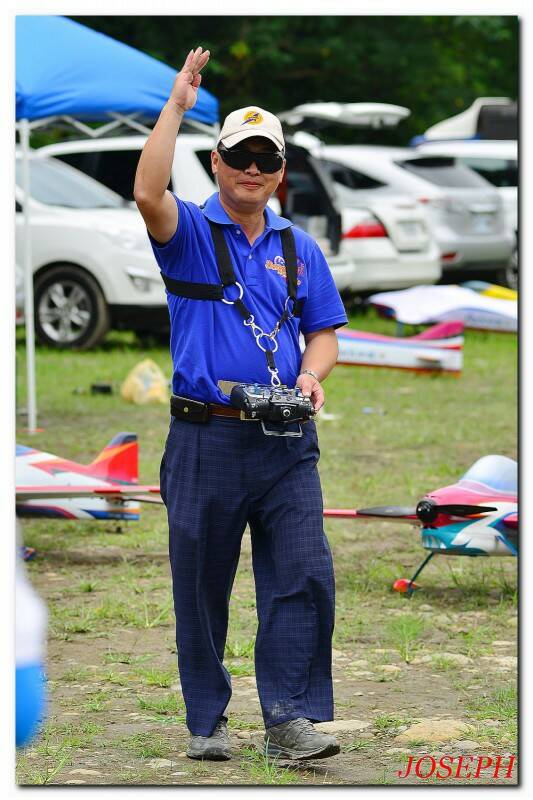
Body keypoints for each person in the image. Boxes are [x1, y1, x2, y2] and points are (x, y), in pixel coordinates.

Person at [134, 46, 348, 762]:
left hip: (286, 443)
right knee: (202, 585)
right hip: (205, 439)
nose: (251, 168)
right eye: (238, 155)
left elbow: (323, 333)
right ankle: (207, 721)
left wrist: (313, 376)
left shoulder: (299, 246)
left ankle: (290, 718)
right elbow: (146, 193)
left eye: (265, 157)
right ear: (217, 163)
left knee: (302, 573)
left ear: (280, 170)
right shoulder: (189, 232)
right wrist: (175, 108)